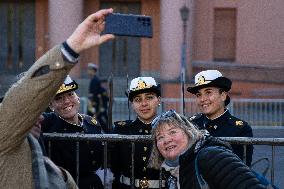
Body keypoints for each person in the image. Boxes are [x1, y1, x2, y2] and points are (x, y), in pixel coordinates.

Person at [0, 8, 114, 189]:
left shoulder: (34, 141)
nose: (40, 116)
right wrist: (71, 48)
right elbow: (23, 97)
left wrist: (59, 173)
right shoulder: (6, 130)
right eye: (33, 110)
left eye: (70, 94)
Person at [148, 110, 267, 189]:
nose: (167, 140)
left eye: (172, 132)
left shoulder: (211, 156)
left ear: (189, 132)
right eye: (160, 137)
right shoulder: (172, 172)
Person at [41, 75, 111, 189]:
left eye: (70, 94)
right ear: (50, 105)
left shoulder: (91, 123)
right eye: (59, 98)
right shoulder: (50, 123)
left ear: (77, 97)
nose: (67, 101)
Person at [187, 70, 253, 166]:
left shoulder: (240, 129)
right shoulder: (190, 124)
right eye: (199, 95)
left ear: (223, 96)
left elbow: (242, 170)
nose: (202, 99)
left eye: (208, 92)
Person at [111, 77, 165, 189]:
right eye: (138, 99)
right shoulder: (121, 130)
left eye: (149, 97)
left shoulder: (169, 130)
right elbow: (113, 166)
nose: (144, 104)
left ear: (158, 100)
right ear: (132, 104)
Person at [87, 62, 109, 130]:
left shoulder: (95, 80)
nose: (88, 71)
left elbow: (96, 95)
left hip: (96, 105)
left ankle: (108, 132)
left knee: (97, 120)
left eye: (89, 70)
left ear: (93, 71)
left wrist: (93, 105)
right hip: (94, 105)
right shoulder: (93, 80)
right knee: (94, 120)